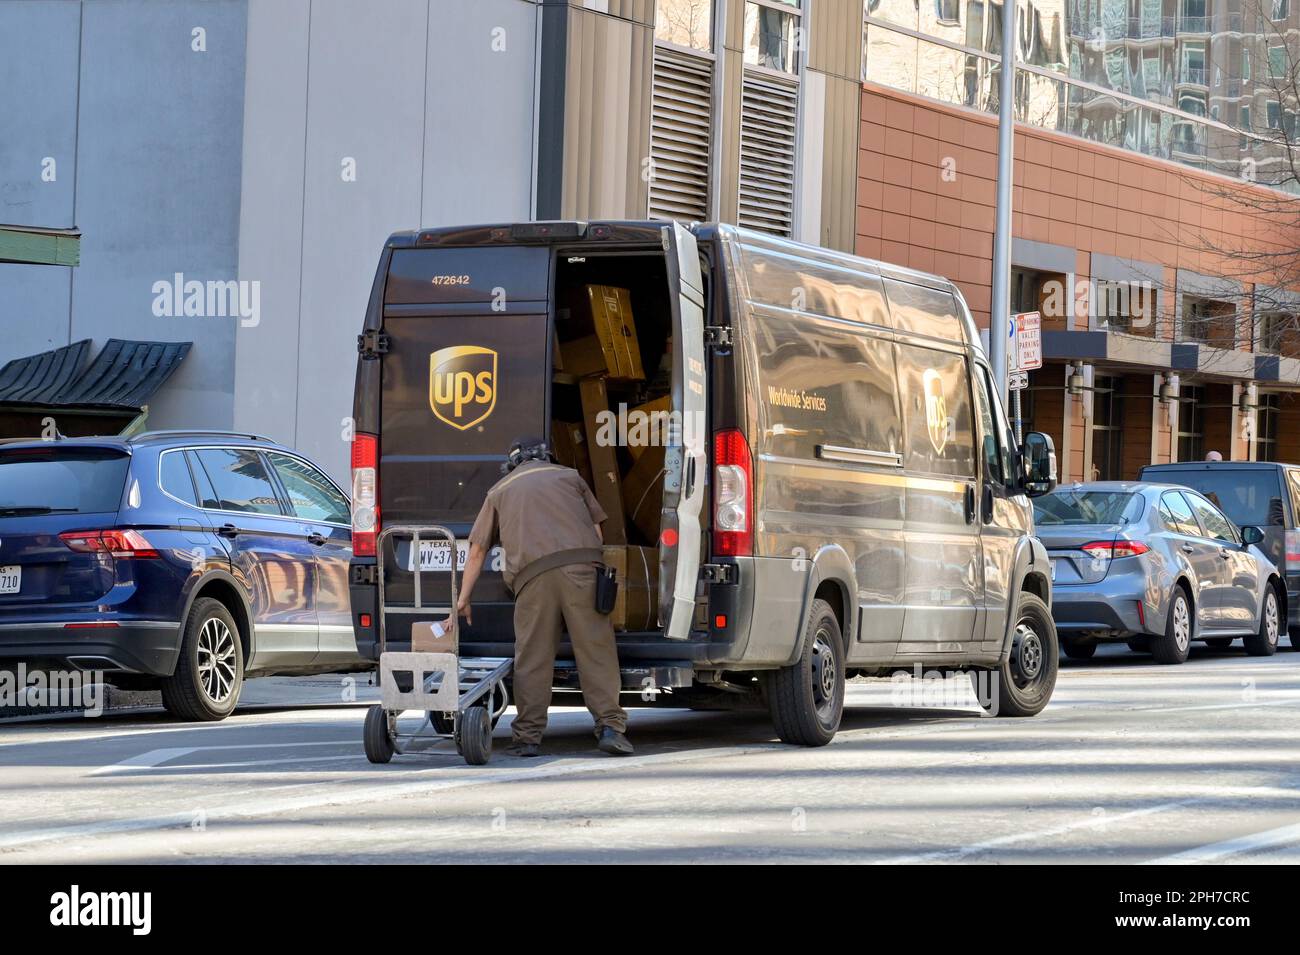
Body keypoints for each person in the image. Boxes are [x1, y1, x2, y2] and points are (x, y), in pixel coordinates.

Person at [449, 435, 632, 758]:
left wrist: (463, 598)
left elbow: (477, 550)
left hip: (534, 577)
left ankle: (528, 738)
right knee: (596, 651)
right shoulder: (570, 477)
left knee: (533, 658)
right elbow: (598, 533)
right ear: (546, 456)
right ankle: (610, 727)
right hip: (583, 571)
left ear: (513, 464)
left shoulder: (500, 491)